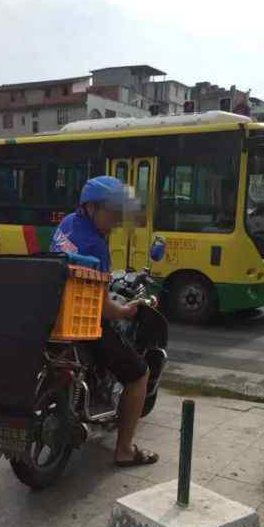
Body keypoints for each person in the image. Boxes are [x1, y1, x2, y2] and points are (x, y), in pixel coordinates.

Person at [50, 175, 158, 467]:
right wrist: (125, 311)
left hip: (52, 314)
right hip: (83, 323)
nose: (117, 221)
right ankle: (124, 450)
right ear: (92, 207)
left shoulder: (67, 225)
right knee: (139, 375)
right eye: (113, 213)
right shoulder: (96, 245)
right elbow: (102, 308)